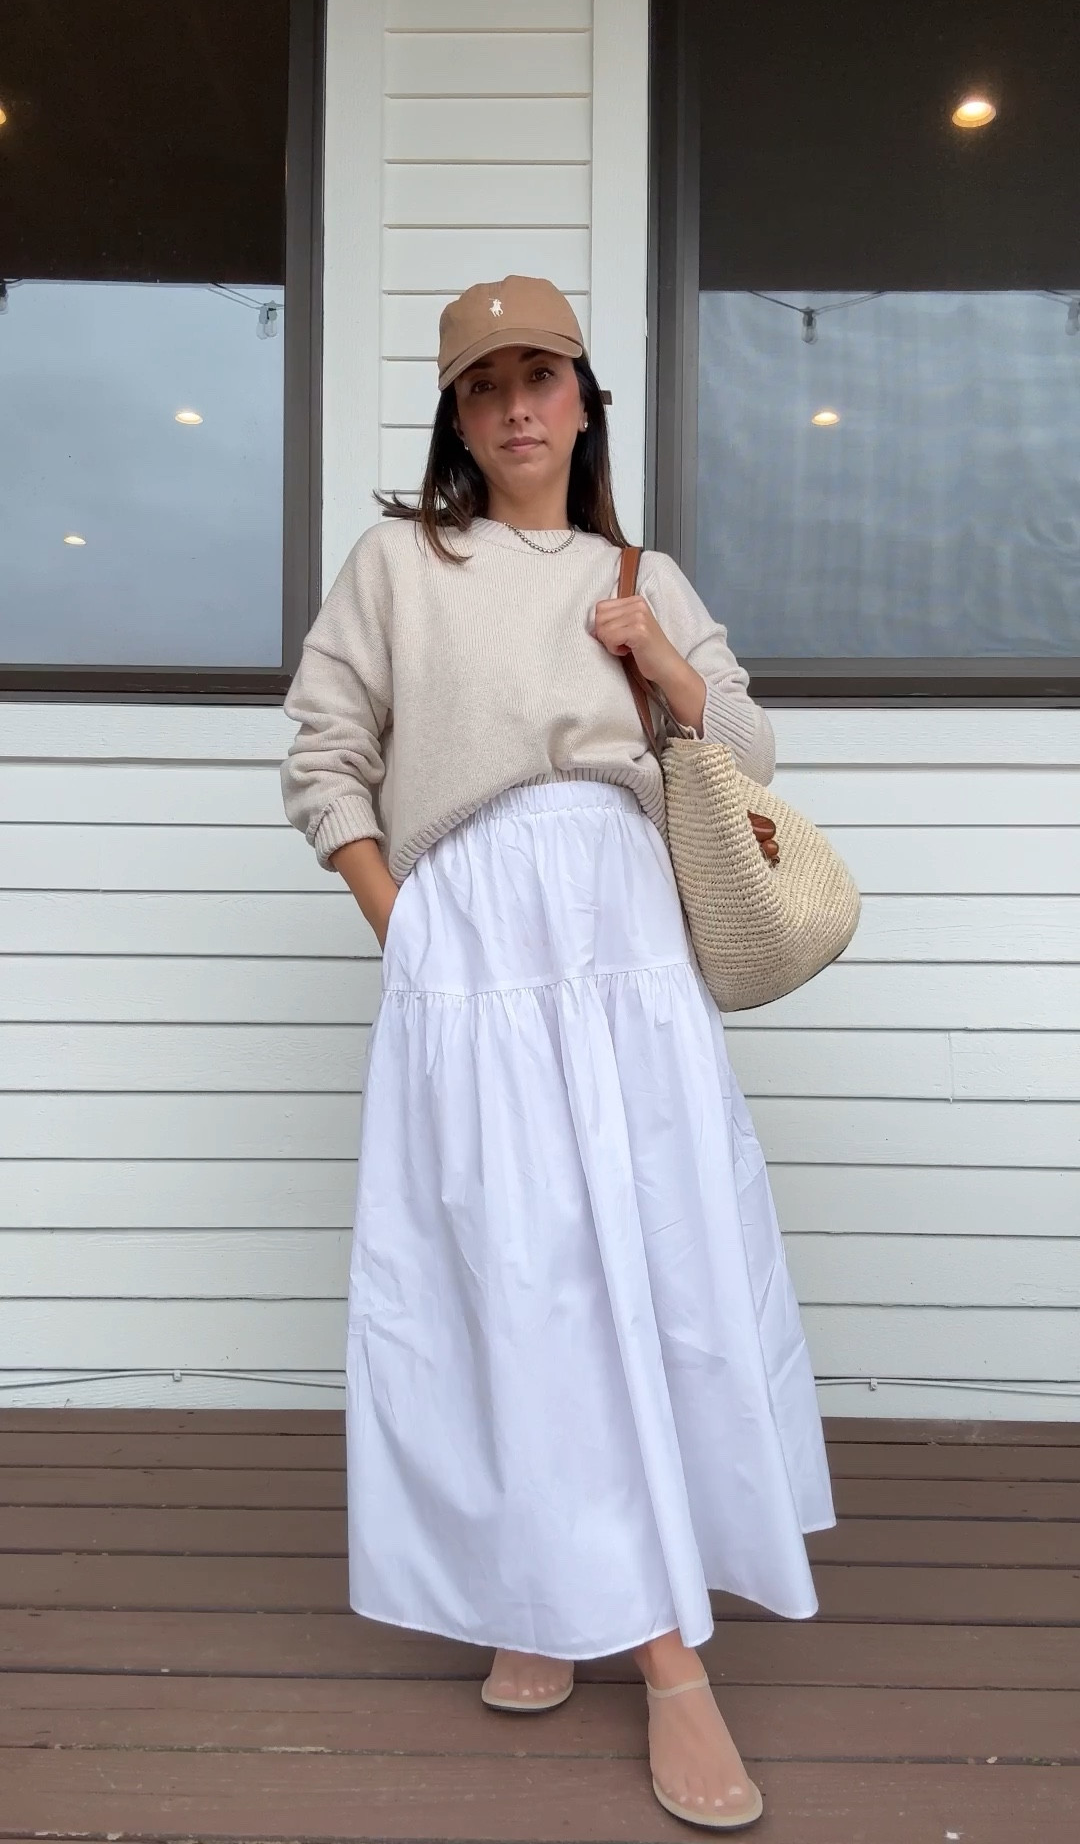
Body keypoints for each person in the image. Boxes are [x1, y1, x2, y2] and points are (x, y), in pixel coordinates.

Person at [280, 274, 834, 1831]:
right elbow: (324, 751)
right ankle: (554, 1593)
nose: (518, 406)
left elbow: (746, 751)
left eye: (543, 377)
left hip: (626, 942)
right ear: (455, 418)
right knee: (516, 1270)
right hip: (476, 948)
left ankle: (664, 1658)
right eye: (484, 385)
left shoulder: (636, 570)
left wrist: (660, 659)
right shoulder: (400, 561)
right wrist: (411, 927)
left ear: (585, 398)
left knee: (639, 1262)